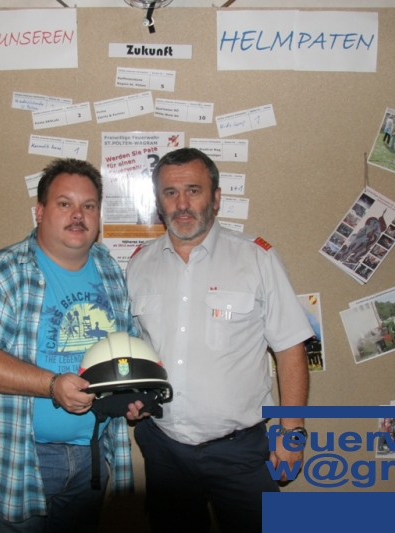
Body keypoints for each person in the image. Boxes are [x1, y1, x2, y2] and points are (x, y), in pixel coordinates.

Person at [125, 148, 314, 532]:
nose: (182, 204)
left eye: (193, 191)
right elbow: (137, 349)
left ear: (216, 198)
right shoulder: (139, 264)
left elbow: (290, 348)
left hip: (240, 451)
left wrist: (292, 433)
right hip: (164, 449)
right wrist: (134, 395)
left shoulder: (256, 258)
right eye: (170, 192)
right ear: (158, 202)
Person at [0, 158, 141, 532]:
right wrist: (52, 385)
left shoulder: (109, 269)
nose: (78, 215)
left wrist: (133, 393)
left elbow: (125, 344)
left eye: (88, 206)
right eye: (64, 203)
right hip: (21, 457)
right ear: (39, 211)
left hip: (93, 452)